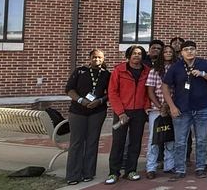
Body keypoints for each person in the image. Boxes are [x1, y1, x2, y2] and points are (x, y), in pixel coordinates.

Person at [162, 41, 207, 180]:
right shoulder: (175, 67)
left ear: (196, 51)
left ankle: (200, 167)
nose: (189, 52)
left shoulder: (205, 64)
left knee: (201, 140)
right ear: (181, 52)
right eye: (186, 49)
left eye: (192, 49)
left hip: (202, 108)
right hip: (181, 110)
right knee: (180, 141)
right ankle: (180, 169)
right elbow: (165, 86)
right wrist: (172, 106)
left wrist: (203, 74)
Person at [64, 49, 110, 185]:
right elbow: (69, 89)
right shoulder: (80, 71)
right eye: (94, 57)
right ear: (90, 58)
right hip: (78, 111)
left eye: (100, 58)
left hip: (97, 111)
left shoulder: (107, 74)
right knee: (76, 142)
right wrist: (80, 100)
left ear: (103, 59)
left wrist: (100, 101)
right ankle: (73, 175)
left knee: (92, 142)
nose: (97, 60)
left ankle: (88, 173)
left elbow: (110, 92)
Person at [106, 45, 150, 184]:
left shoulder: (147, 71)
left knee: (135, 142)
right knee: (118, 142)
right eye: (134, 53)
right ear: (129, 55)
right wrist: (120, 112)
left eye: (139, 54)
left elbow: (149, 92)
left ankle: (131, 170)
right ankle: (113, 172)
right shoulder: (119, 70)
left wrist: (146, 107)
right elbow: (113, 92)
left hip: (139, 112)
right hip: (122, 112)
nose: (137, 56)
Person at [145, 45, 176, 179]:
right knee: (154, 139)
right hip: (157, 109)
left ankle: (170, 165)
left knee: (171, 138)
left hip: (173, 109)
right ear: (161, 54)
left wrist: (169, 106)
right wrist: (160, 106)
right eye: (165, 52)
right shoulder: (154, 71)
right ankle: (150, 167)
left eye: (170, 52)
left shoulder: (178, 69)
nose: (168, 53)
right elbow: (150, 91)